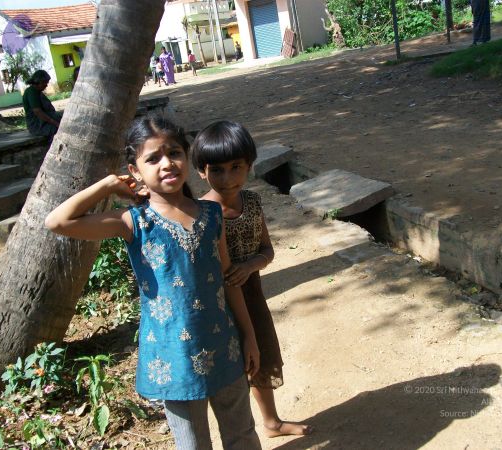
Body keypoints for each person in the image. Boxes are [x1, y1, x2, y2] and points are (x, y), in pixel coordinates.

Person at [45, 114, 262, 450]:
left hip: (225, 345)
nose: (167, 163)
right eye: (153, 158)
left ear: (187, 157)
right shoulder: (133, 222)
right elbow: (58, 221)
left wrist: (249, 336)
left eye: (174, 153)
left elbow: (228, 280)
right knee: (193, 444)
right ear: (135, 171)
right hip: (173, 357)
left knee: (242, 434)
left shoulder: (211, 214)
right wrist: (108, 185)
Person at [192, 121, 312, 438]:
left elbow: (267, 250)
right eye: (217, 170)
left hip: (252, 295)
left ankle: (271, 422)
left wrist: (248, 266)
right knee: (231, 367)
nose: (228, 178)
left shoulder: (253, 203)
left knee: (260, 355)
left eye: (236, 167)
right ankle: (238, 432)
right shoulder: (200, 213)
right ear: (202, 172)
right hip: (217, 303)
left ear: (249, 165)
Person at [22, 69, 62, 140]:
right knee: (60, 129)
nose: (46, 85)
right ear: (39, 81)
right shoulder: (31, 92)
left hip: (43, 122)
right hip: (37, 125)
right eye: (45, 82)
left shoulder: (37, 92)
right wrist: (56, 123)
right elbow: (38, 112)